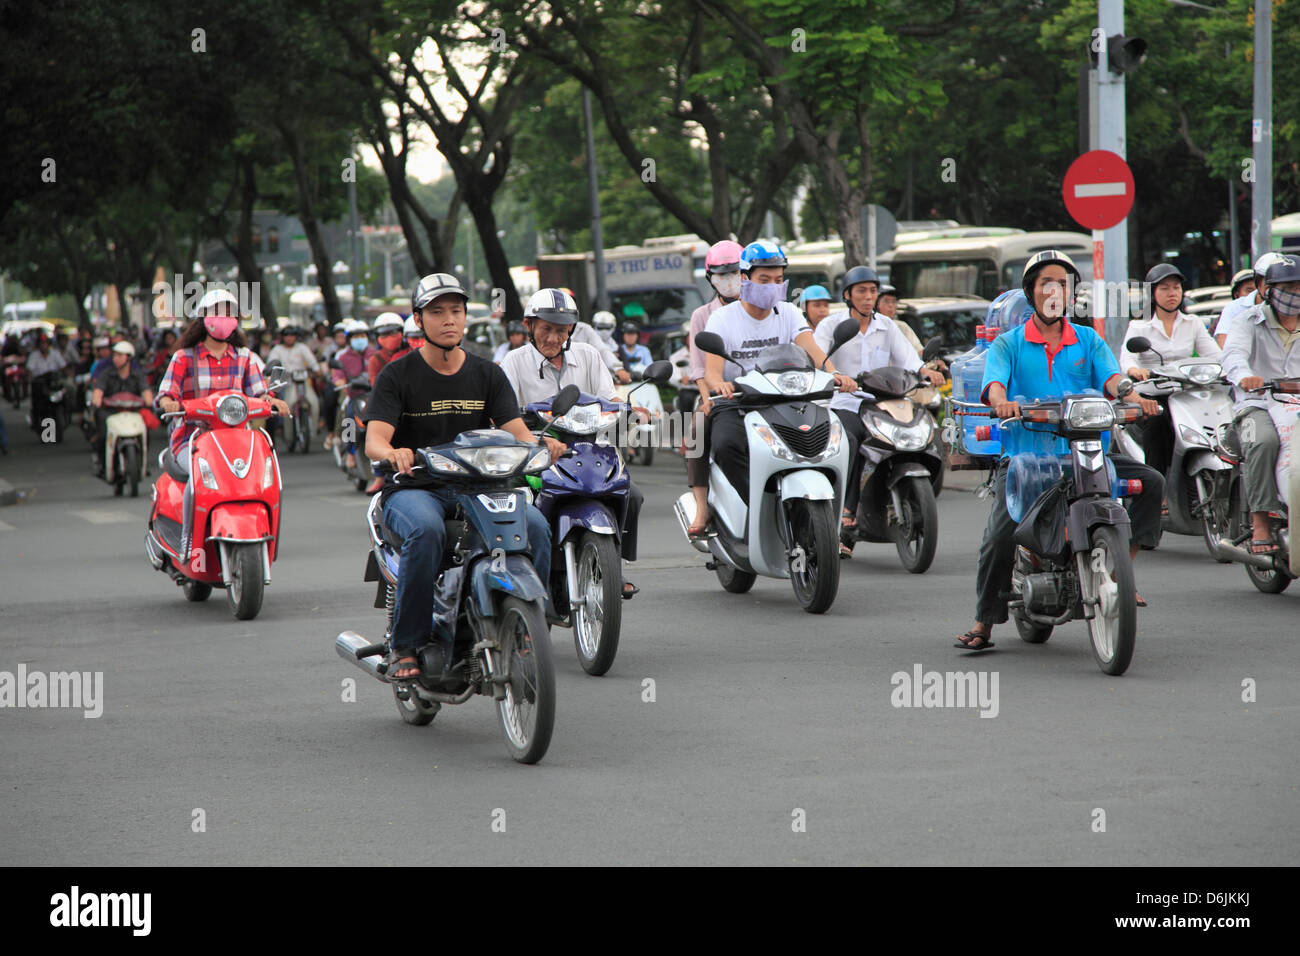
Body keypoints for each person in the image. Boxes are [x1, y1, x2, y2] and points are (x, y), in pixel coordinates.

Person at [956, 250, 1163, 652]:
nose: (1055, 290)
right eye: (1046, 283)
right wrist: (1002, 401)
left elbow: (1113, 380)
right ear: (1031, 292)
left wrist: (1134, 395)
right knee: (999, 536)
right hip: (1026, 458)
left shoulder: (1088, 339)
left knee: (1150, 483)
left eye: (1063, 284)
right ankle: (984, 621)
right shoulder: (1008, 344)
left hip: (1087, 453)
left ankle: (1121, 572)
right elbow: (994, 383)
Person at [365, 273, 564, 682]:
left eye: (456, 311)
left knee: (538, 527)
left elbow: (518, 433)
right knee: (426, 531)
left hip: (482, 487)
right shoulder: (396, 376)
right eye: (437, 312)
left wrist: (542, 447)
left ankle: (530, 626)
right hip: (417, 487)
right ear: (419, 320)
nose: (449, 320)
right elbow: (374, 442)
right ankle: (408, 642)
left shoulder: (487, 373)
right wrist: (394, 452)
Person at [500, 288, 647, 597]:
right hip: (534, 452)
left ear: (571, 330)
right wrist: (530, 434)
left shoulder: (589, 356)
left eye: (561, 330)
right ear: (529, 326)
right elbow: (502, 413)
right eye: (546, 329)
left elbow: (610, 398)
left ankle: (612, 565)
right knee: (518, 502)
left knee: (630, 494)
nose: (554, 337)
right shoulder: (513, 362)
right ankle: (522, 568)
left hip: (587, 447)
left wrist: (631, 410)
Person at [700, 240, 857, 515]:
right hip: (738, 403)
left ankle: (834, 509)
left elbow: (812, 349)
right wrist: (720, 385)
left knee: (841, 439)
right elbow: (712, 374)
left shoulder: (789, 312)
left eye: (779, 279)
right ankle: (760, 503)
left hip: (786, 401)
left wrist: (834, 372)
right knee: (725, 445)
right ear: (744, 278)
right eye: (764, 279)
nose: (773, 286)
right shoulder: (721, 319)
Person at [815, 265, 944, 555]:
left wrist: (925, 371)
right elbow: (819, 358)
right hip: (845, 402)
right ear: (847, 295)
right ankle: (846, 511)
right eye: (861, 291)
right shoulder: (831, 326)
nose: (868, 296)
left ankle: (902, 493)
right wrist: (835, 375)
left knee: (920, 431)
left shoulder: (887, 326)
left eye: (873, 291)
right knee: (851, 440)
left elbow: (909, 359)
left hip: (883, 401)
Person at [156, 289, 290, 560]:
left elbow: (259, 393)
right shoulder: (183, 357)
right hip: (191, 439)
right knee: (196, 482)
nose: (226, 318)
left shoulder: (244, 357)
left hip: (237, 441)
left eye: (230, 313)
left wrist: (271, 401)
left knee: (268, 479)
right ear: (203, 319)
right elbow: (166, 394)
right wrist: (170, 403)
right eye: (219, 312)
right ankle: (186, 543)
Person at [1221, 254, 1300, 556]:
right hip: (1259, 403)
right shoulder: (1248, 320)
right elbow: (1233, 356)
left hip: (1297, 404)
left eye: (1299, 288)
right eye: (1287, 288)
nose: (1294, 295)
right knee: (1264, 441)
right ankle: (1261, 522)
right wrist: (1245, 377)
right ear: (1269, 290)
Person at [1118, 263, 1223, 479]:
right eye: (1164, 288)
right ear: (1153, 293)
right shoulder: (1140, 326)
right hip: (1153, 394)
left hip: (1187, 391)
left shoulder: (1192, 323)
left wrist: (1226, 370)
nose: (1172, 293)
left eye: (1176, 287)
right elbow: (1127, 357)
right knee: (1157, 423)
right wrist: (1135, 370)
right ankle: (1158, 483)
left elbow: (1216, 355)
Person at [684, 239, 745, 534]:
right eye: (722, 274)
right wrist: (707, 398)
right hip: (717, 394)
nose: (730, 280)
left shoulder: (760, 309)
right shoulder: (701, 316)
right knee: (697, 428)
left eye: (734, 272)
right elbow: (698, 368)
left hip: (759, 391)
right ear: (711, 278)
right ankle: (702, 507)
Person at [91, 342, 154, 475]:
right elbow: (98, 392)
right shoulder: (106, 374)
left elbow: (146, 392)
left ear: (129, 358)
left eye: (120, 356)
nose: (116, 358)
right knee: (102, 434)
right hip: (111, 412)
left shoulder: (138, 375)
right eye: (114, 356)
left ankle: (140, 463)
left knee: (146, 431)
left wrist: (149, 401)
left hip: (133, 412)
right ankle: (103, 465)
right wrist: (97, 401)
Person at [1215, 253, 1286, 348]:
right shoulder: (1236, 308)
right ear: (1258, 282)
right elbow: (1225, 342)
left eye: (1281, 283)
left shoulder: (1294, 306)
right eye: (1269, 282)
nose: (1274, 288)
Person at [267, 323, 324, 436]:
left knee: (314, 403)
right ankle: (287, 434)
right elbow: (271, 363)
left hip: (302, 382)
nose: (289, 337)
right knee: (287, 404)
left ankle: (312, 430)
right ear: (282, 337)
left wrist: (317, 370)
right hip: (286, 383)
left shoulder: (302, 347)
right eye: (287, 335)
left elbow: (312, 361)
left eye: (292, 335)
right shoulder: (277, 349)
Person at [331, 319, 373, 470]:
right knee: (350, 418)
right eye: (356, 336)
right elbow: (337, 376)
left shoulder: (374, 353)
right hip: (354, 396)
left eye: (362, 335)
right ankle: (350, 452)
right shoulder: (343, 357)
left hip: (374, 396)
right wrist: (340, 382)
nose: (359, 339)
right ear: (349, 339)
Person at [366, 313, 406, 386]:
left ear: (402, 333)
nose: (389, 337)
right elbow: (376, 387)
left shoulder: (410, 353)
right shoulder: (375, 359)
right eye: (384, 334)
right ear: (377, 337)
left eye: (393, 333)